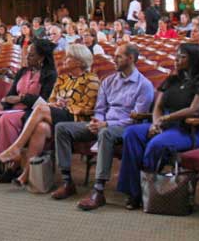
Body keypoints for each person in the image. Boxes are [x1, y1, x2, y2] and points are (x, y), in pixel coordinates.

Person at [51, 44, 155, 209]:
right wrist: (96, 121)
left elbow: (136, 118)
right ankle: (67, 182)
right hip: (103, 124)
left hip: (124, 127)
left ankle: (98, 191)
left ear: (131, 59)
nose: (114, 59)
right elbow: (100, 109)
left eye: (119, 56)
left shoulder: (144, 85)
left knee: (106, 133)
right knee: (62, 128)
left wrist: (105, 124)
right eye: (114, 55)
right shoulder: (108, 81)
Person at [117, 43, 199, 209]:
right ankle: (133, 190)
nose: (176, 60)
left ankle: (146, 189)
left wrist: (165, 119)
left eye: (182, 57)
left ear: (195, 59)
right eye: (176, 56)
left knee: (157, 143)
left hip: (187, 130)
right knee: (131, 133)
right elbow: (158, 106)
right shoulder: (172, 80)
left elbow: (195, 110)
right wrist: (156, 123)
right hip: (164, 124)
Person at [0, 44, 100, 186]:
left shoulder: (91, 80)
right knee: (41, 127)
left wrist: (66, 106)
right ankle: (26, 174)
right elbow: (50, 100)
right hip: (58, 115)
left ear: (79, 61)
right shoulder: (63, 78)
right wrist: (55, 104)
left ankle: (16, 148)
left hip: (77, 119)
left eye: (69, 57)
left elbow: (88, 108)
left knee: (40, 109)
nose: (65, 59)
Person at [0, 40, 58, 182]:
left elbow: (43, 101)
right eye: (27, 54)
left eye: (31, 55)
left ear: (41, 58)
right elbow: (10, 95)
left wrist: (21, 98)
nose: (27, 58)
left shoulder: (50, 74)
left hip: (31, 113)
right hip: (13, 109)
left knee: (6, 119)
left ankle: (9, 165)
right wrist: (1, 104)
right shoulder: (22, 71)